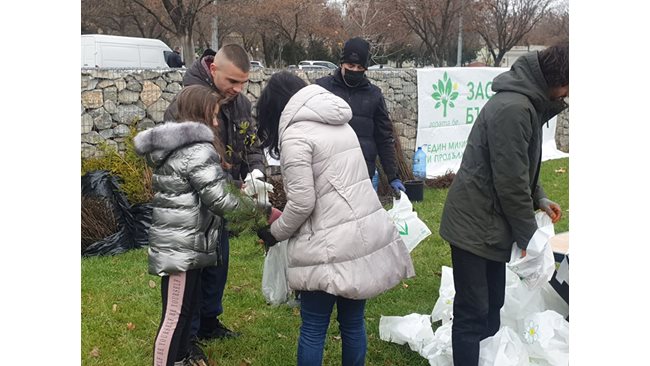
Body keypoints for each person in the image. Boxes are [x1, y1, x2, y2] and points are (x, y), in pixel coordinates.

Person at [255, 71, 415, 366]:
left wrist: (274, 233)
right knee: (353, 322)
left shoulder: (295, 136)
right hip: (359, 236)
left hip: (326, 244)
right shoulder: (340, 123)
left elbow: (303, 203)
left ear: (275, 108)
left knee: (314, 327)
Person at [438, 43, 569, 366]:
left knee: (493, 303)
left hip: (490, 224)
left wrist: (539, 197)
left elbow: (519, 165)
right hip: (474, 225)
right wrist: (530, 240)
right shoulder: (514, 109)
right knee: (473, 311)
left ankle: (488, 358)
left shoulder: (526, 105)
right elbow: (510, 184)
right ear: (560, 81)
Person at [163, 44, 267, 357]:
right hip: (191, 211)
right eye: (232, 82)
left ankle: (209, 321)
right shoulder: (186, 101)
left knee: (218, 264)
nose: (238, 89)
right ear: (213, 69)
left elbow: (251, 144)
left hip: (221, 202)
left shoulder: (240, 104)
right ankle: (187, 337)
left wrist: (257, 172)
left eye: (243, 83)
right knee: (192, 275)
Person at [134, 85, 248, 366]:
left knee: (184, 310)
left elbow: (204, 185)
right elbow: (219, 200)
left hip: (189, 243)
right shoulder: (197, 150)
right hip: (181, 248)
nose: (218, 122)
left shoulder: (180, 148)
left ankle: (182, 357)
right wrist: (260, 211)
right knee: (174, 316)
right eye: (214, 115)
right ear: (200, 114)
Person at [315, 37, 405, 196]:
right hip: (329, 170)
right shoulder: (322, 88)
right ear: (341, 63)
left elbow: (384, 138)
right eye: (350, 65)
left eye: (360, 67)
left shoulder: (374, 95)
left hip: (363, 172)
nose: (355, 70)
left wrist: (393, 176)